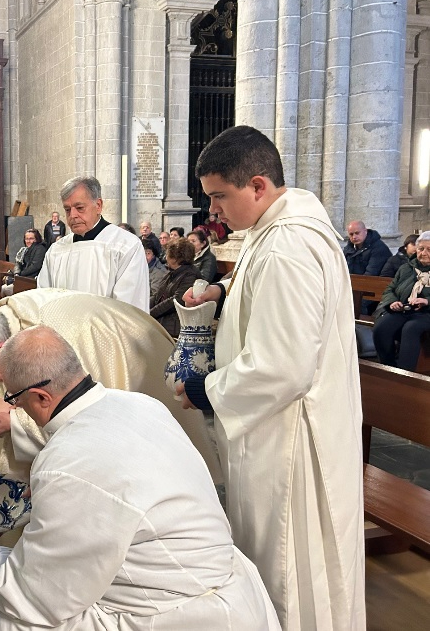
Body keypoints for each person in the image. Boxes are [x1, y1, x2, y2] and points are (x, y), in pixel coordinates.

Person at [0, 326, 280, 631]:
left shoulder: (69, 462)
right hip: (226, 582)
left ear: (40, 396)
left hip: (184, 613)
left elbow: (35, 596)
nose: (15, 407)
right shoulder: (140, 403)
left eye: (14, 399)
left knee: (15, 620)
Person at [179, 125, 365, 630]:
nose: (213, 210)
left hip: (290, 441)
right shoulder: (275, 230)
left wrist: (206, 391)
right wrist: (223, 295)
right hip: (277, 427)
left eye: (219, 196)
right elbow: (273, 307)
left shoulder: (288, 244)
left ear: (257, 186)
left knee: (290, 569)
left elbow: (283, 364)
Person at [0, 289, 222, 483]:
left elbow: (83, 418)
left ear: (0, 348)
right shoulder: (2, 321)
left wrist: (12, 422)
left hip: (131, 353)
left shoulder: (50, 342)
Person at [37, 176, 149, 311]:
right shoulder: (56, 251)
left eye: (79, 208)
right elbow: (44, 299)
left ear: (98, 206)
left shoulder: (126, 246)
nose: (72, 215)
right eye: (67, 209)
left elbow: (128, 310)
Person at [372, 231, 430, 371]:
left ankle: (405, 374)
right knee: (382, 327)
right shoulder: (406, 268)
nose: (424, 253)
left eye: (429, 249)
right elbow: (389, 290)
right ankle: (389, 367)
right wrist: (392, 302)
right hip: (404, 310)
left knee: (410, 328)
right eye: (421, 249)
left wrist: (427, 301)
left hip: (426, 313)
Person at [149, 237, 200, 337]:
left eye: (167, 254)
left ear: (175, 258)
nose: (165, 257)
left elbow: (175, 301)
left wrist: (150, 314)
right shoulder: (172, 272)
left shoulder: (190, 275)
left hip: (175, 327)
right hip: (163, 321)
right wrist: (142, 308)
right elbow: (158, 296)